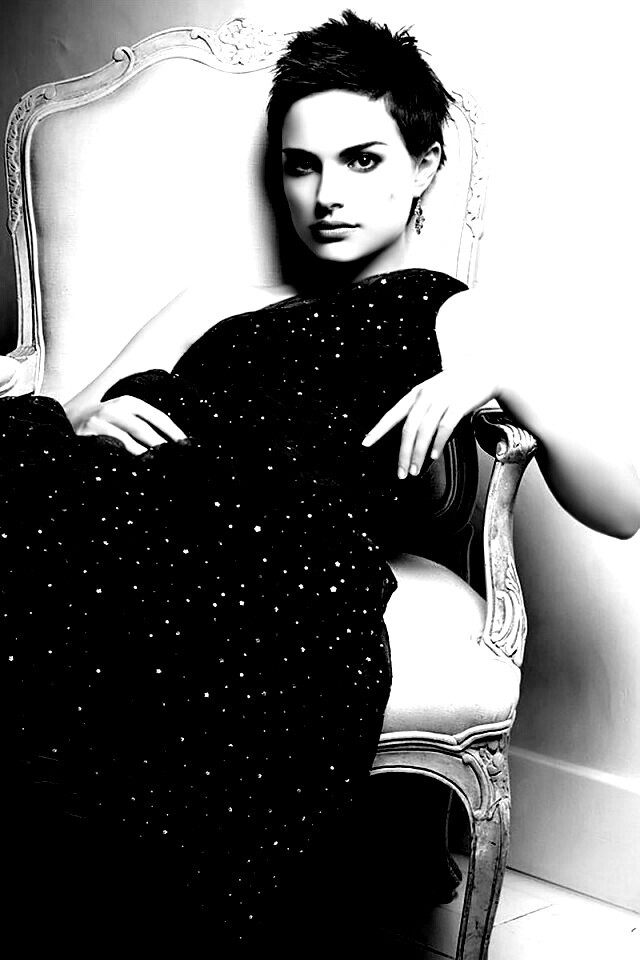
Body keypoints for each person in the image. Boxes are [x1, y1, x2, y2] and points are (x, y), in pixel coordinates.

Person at [3, 9, 639, 957]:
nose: (327, 194)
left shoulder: (451, 313)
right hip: (119, 495)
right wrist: (96, 416)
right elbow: (72, 407)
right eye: (302, 166)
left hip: (262, 536)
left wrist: (499, 377)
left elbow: (622, 506)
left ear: (424, 164)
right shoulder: (220, 298)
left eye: (362, 160)